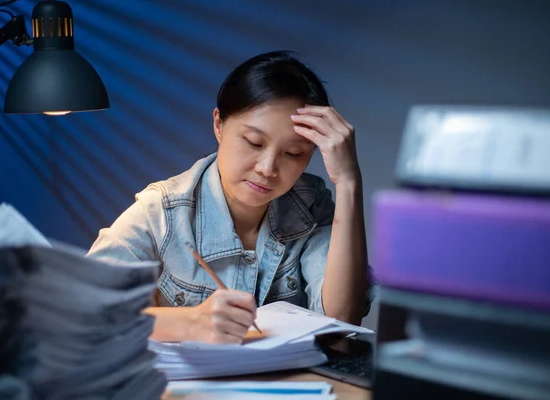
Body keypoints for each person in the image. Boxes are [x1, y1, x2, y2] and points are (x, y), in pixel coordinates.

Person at [87, 50, 374, 344]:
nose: (267, 169)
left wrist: (349, 181)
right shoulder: (162, 211)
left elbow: (342, 319)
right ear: (219, 125)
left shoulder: (311, 204)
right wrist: (189, 322)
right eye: (253, 142)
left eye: (293, 153)